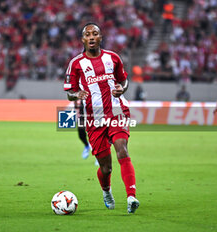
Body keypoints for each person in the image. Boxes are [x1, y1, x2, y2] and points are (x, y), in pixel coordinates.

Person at [64, 23, 139, 213]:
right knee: (106, 168)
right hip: (94, 118)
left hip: (116, 110)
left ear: (100, 38)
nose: (91, 37)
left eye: (95, 34)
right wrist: (77, 94)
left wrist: (122, 88)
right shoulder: (76, 63)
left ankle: (131, 197)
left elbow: (124, 80)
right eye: (87, 34)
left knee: (122, 149)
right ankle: (106, 191)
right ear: (82, 40)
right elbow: (69, 93)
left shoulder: (113, 58)